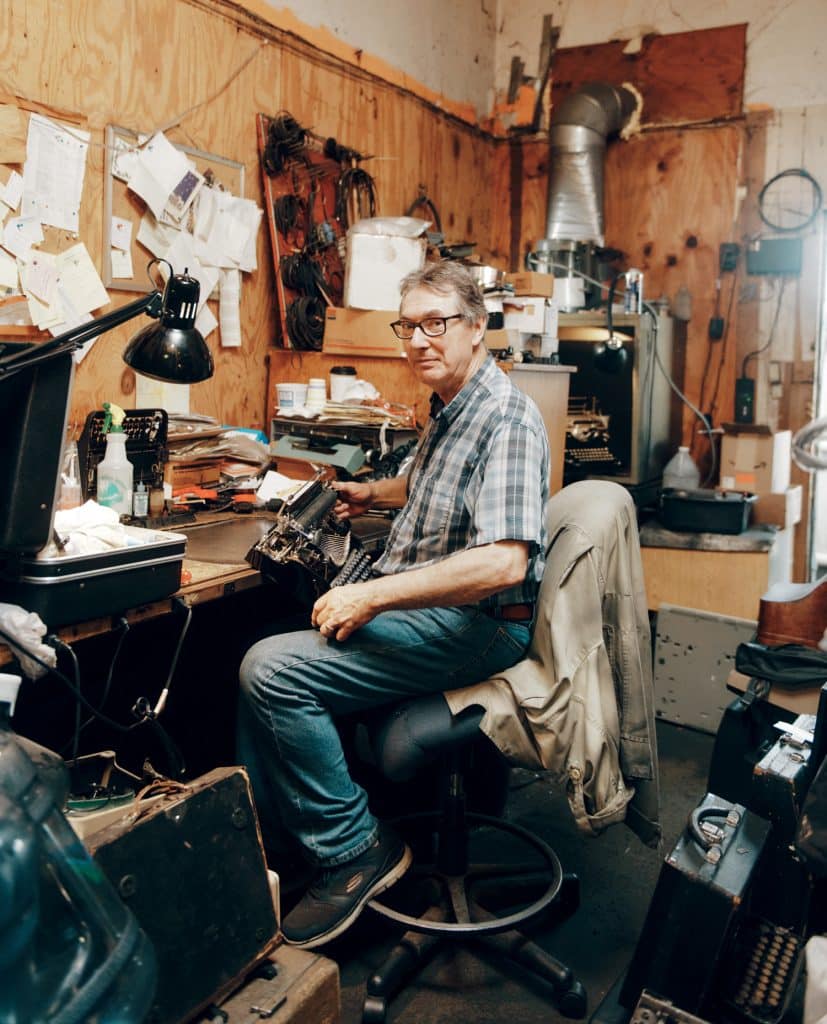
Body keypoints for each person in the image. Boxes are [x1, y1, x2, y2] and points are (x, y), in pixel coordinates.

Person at [237, 261, 550, 949]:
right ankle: (275, 856)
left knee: (271, 669)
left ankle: (352, 851)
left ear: (476, 327)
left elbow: (502, 562)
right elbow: (430, 488)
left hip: (480, 624)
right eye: (406, 326)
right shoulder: (452, 406)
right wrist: (371, 495)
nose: (417, 340)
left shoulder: (506, 418)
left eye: (435, 324)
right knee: (262, 637)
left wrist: (371, 593)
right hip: (436, 607)